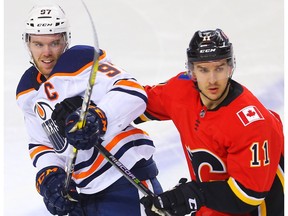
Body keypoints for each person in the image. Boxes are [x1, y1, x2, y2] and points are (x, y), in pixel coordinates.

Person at [16, 4, 163, 216]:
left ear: (66, 40)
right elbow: (41, 144)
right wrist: (49, 176)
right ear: (27, 43)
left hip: (123, 180)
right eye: (38, 44)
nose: (46, 53)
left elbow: (133, 92)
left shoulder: (82, 60)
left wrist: (97, 117)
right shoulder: (27, 90)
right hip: (79, 194)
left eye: (54, 43)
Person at [137, 29, 284, 216]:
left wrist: (189, 196)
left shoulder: (252, 124)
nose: (212, 80)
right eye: (203, 69)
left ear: (230, 68)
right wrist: (100, 114)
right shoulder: (180, 90)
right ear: (192, 71)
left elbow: (248, 196)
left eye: (219, 68)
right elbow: (135, 104)